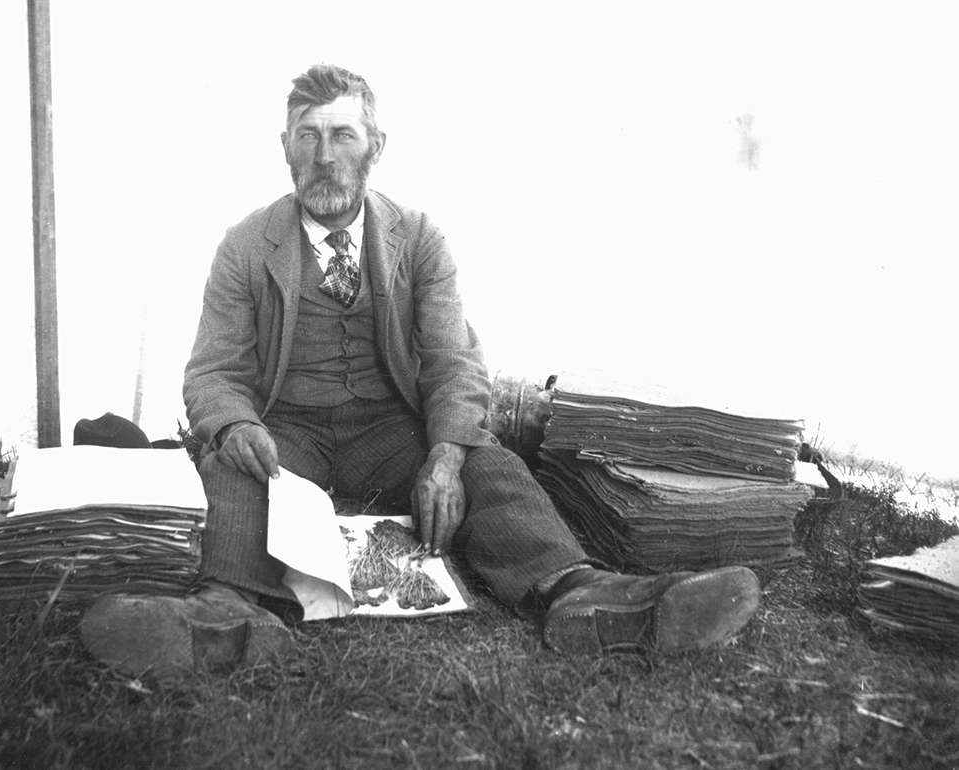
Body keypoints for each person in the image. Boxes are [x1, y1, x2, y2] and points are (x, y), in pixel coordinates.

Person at [80, 64, 761, 678]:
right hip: (288, 435)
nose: (324, 157)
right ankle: (223, 615)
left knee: (481, 460)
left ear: (376, 146)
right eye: (307, 137)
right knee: (232, 466)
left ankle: (581, 593)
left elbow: (452, 362)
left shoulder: (420, 237)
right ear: (284, 148)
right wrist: (234, 424)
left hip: (390, 431)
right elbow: (213, 369)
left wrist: (443, 453)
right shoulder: (244, 246)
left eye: (343, 135)